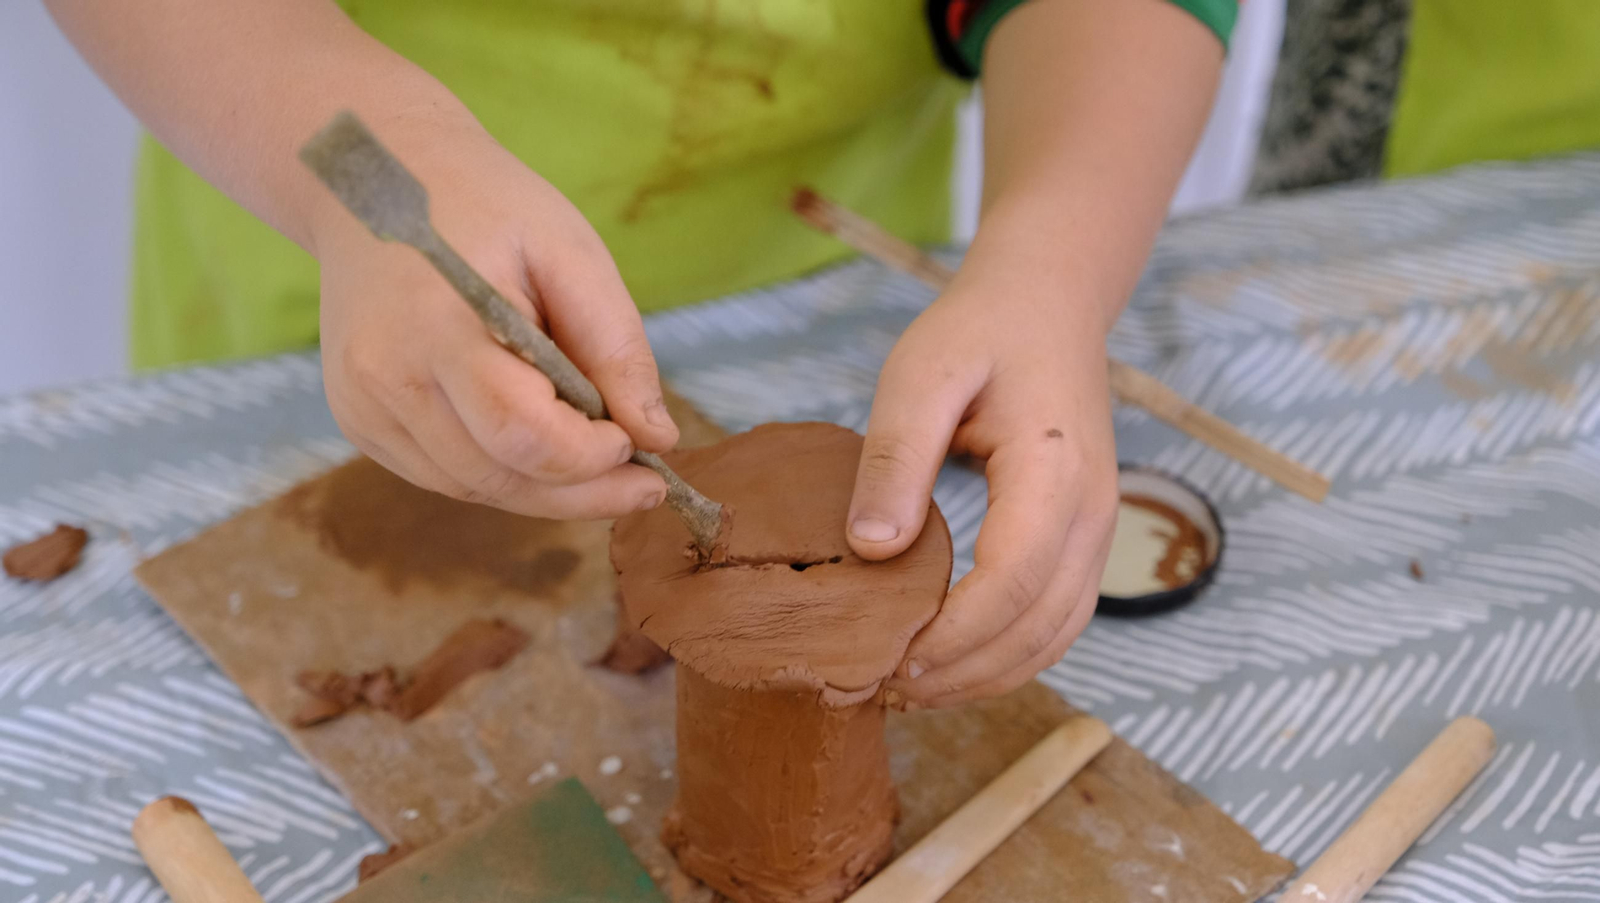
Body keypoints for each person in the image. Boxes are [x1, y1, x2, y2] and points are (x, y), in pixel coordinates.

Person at [45, 0, 1230, 708]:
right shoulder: (362, 208)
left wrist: (1054, 272)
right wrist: (363, 166)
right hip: (358, 268)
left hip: (816, 275)